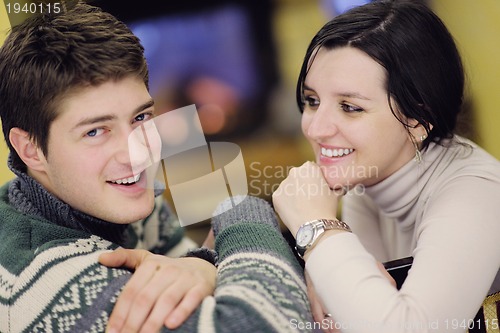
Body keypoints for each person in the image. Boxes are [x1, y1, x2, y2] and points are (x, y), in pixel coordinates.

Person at [0, 2, 314, 332]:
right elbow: (267, 323)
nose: (137, 155)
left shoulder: (122, 203)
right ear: (30, 149)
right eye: (95, 131)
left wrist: (202, 265)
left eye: (141, 118)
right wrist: (241, 212)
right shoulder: (55, 279)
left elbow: (217, 278)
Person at [272, 0, 500, 332]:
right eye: (312, 101)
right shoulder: (367, 183)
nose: (315, 128)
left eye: (349, 107)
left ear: (418, 118)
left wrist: (316, 229)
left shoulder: (477, 194)